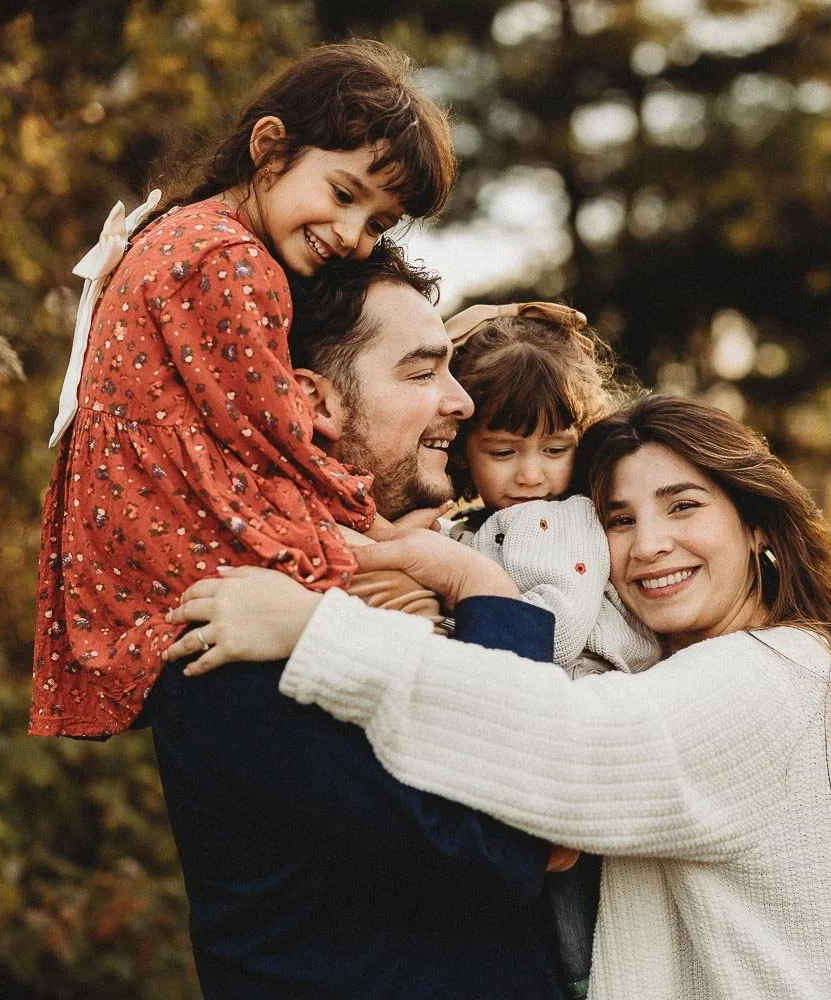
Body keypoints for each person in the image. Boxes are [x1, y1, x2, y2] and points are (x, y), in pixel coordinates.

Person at [167, 394, 831, 1000]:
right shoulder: (725, 669)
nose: (650, 544)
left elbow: (568, 744)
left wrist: (316, 630)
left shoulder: (774, 675)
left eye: (685, 505)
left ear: (757, 526)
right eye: (619, 521)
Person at [140, 243, 569, 999]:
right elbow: (510, 840)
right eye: (420, 371)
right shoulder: (244, 611)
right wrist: (483, 586)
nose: (462, 401)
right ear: (316, 402)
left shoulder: (398, 569)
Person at [30, 39, 452, 739]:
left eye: (376, 223)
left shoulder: (180, 233)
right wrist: (370, 529)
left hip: (132, 541)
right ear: (269, 148)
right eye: (344, 194)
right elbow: (273, 436)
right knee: (411, 613)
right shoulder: (231, 261)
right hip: (188, 541)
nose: (351, 234)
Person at [439, 300, 661, 995]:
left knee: (579, 945)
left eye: (555, 449)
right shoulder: (486, 525)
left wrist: (449, 632)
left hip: (585, 737)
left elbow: (552, 636)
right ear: (460, 444)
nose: (531, 473)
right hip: (566, 742)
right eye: (502, 452)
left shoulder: (552, 519)